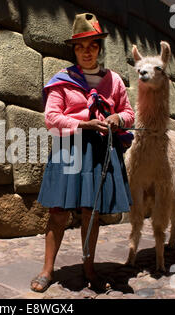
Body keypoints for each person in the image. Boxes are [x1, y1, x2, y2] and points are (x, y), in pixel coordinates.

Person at [31, 13, 135, 293]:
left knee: (91, 211)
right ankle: (47, 269)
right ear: (74, 50)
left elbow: (129, 113)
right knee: (58, 213)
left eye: (92, 46)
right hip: (70, 148)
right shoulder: (63, 81)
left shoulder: (113, 81)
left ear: (99, 48)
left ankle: (90, 268)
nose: (86, 52)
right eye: (80, 46)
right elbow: (51, 118)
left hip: (99, 151)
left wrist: (118, 120)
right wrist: (82, 123)